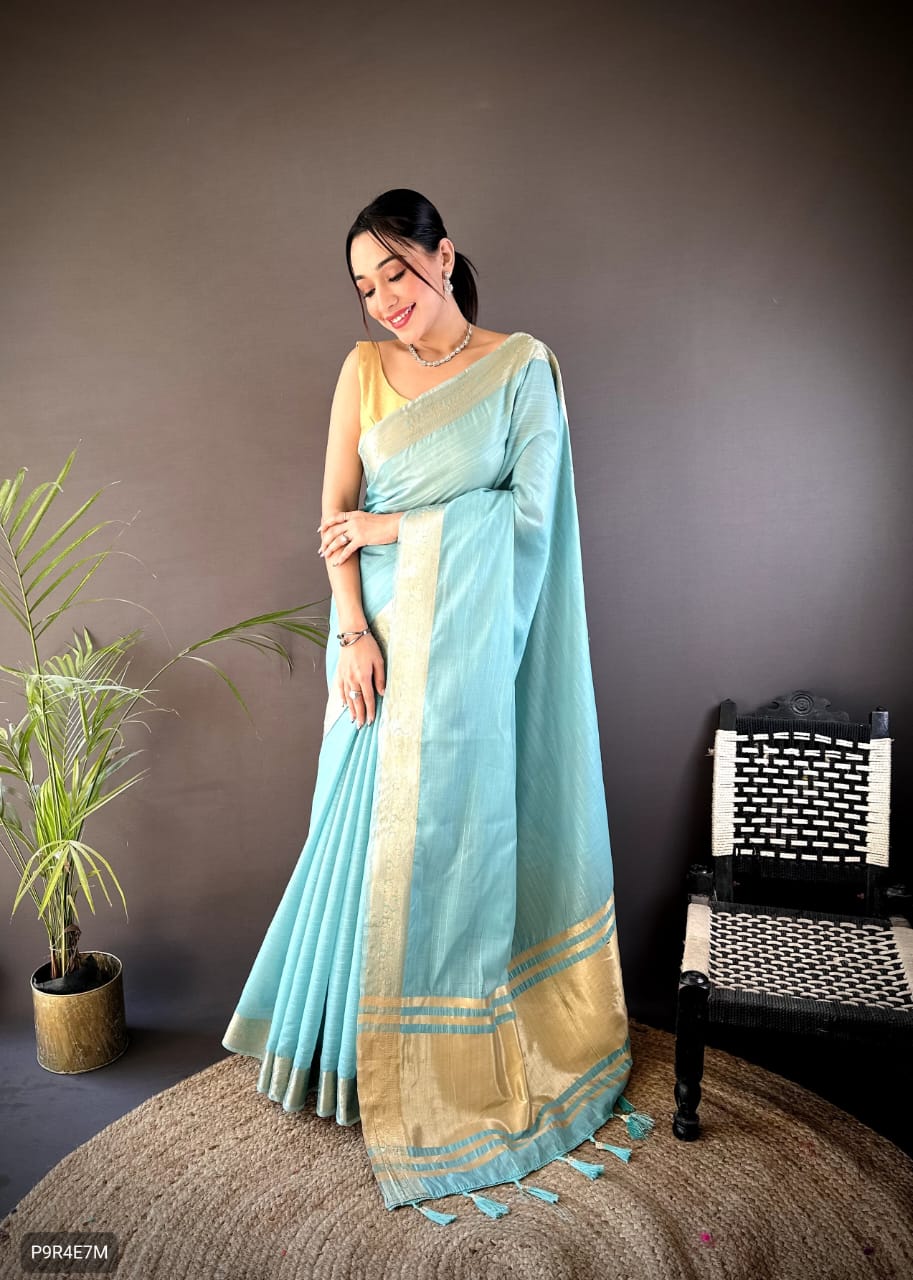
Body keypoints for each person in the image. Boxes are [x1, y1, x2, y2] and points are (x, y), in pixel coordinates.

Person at [222, 189, 637, 1222]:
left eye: (396, 273)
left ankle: (431, 1061)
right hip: (377, 649)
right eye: (365, 287)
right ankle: (346, 1058)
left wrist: (400, 530)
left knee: (440, 850)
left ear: (442, 255)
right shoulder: (362, 371)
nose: (383, 301)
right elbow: (331, 522)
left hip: (462, 662)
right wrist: (352, 632)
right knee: (354, 845)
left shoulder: (521, 370)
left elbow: (531, 524)